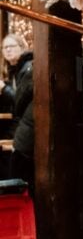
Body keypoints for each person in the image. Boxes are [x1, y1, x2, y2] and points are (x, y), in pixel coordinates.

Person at [0, 34, 35, 193]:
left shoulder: (27, 67)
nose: (7, 50)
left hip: (20, 129)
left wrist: (4, 90)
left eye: (11, 46)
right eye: (4, 47)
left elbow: (19, 102)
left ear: (22, 47)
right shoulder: (9, 71)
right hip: (12, 127)